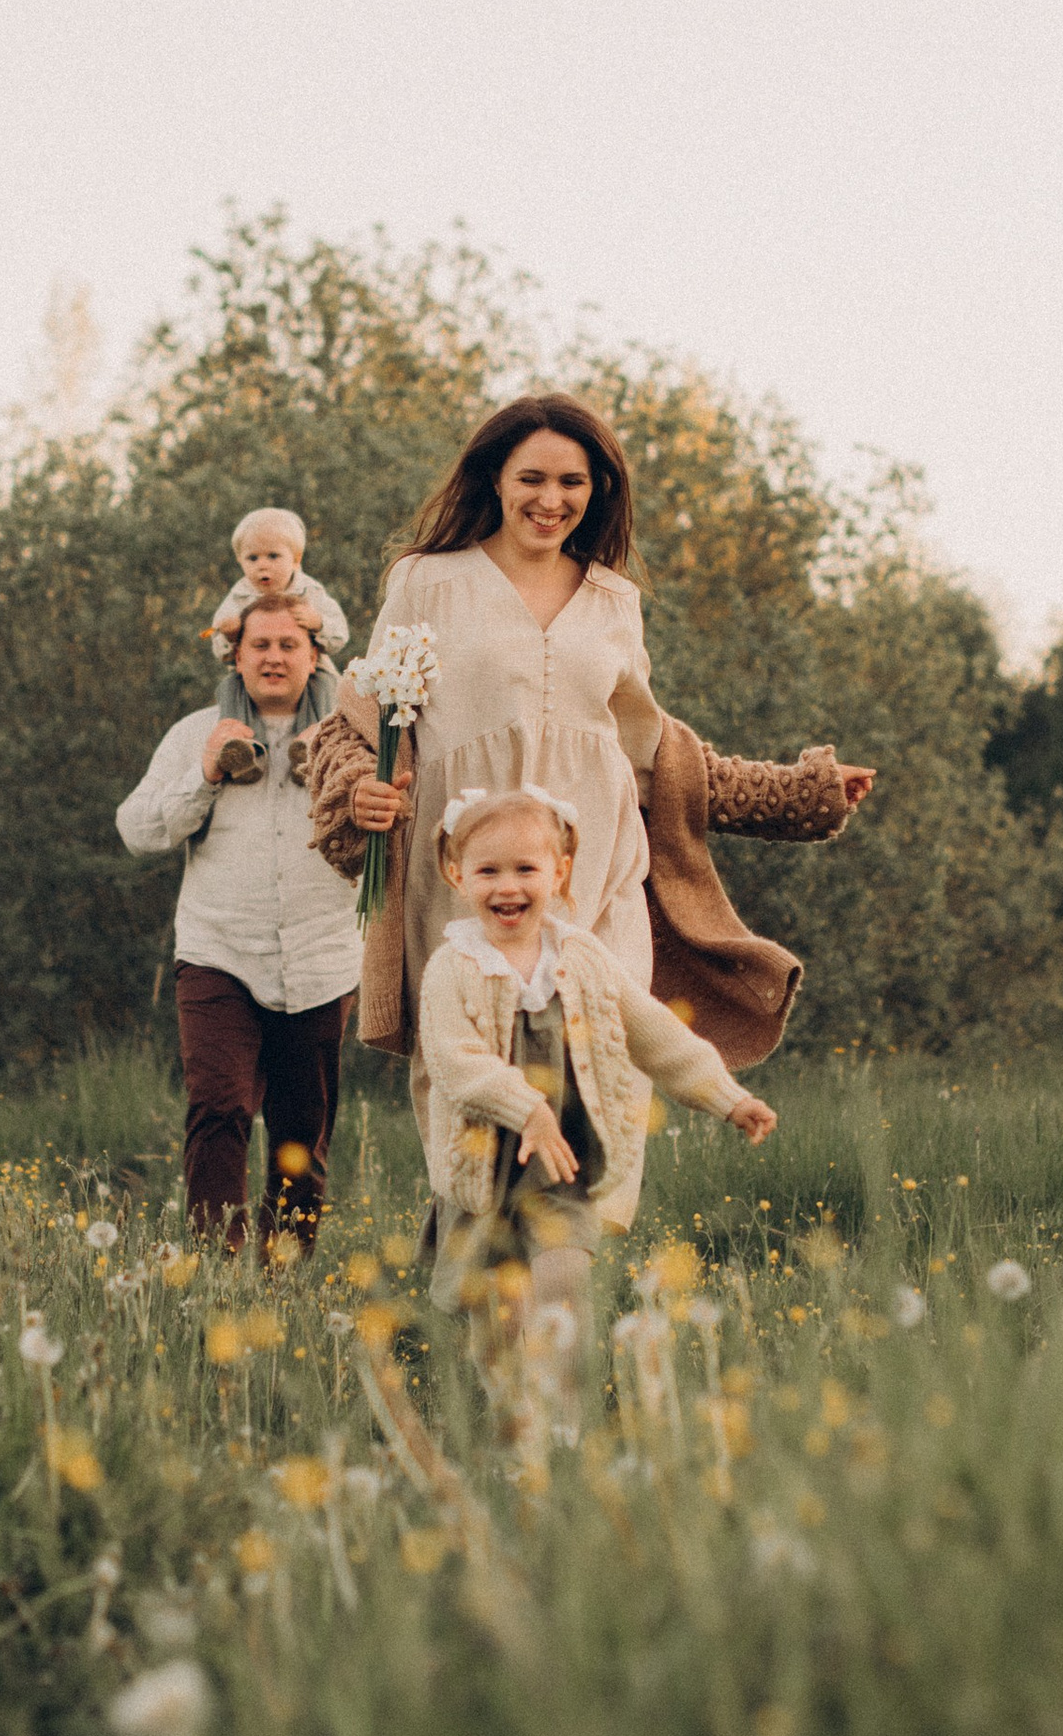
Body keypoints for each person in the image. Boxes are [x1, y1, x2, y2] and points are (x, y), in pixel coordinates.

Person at [303, 391, 876, 1091]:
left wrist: (799, 791)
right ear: (496, 480)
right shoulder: (428, 581)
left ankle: (587, 1203)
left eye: (571, 481)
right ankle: (466, 1205)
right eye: (532, 479)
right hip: (465, 871)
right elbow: (362, 719)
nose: (552, 499)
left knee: (599, 1080)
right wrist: (357, 787)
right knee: (472, 1084)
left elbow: (652, 757)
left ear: (596, 489)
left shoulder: (613, 601)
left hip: (592, 875)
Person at [419, 782, 774, 1468]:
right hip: (484, 1175)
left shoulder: (579, 960)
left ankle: (561, 1429)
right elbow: (454, 1059)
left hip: (564, 1173)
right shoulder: (453, 969)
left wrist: (724, 1095)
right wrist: (526, 1108)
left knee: (561, 1288)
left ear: (559, 873)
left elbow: (653, 1032)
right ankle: (508, 1420)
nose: (508, 887)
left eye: (526, 869)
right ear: (458, 877)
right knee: (501, 1317)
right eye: (489, 871)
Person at [116, 593, 357, 1250]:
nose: (274, 657)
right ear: (236, 655)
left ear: (315, 656)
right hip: (217, 952)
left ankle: (286, 1279)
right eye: (261, 645)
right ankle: (215, 1272)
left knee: (302, 1131)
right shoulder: (196, 731)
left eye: (289, 645)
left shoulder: (351, 734)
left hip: (322, 957)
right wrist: (205, 773)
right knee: (217, 1109)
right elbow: (136, 830)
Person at [204, 506, 351, 662]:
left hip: (307, 670)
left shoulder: (309, 591)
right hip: (254, 671)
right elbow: (220, 651)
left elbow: (340, 636)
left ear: (296, 559)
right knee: (228, 686)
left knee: (329, 684)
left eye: (273, 556)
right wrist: (230, 635)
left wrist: (318, 624)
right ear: (240, 560)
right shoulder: (239, 598)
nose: (262, 565)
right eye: (252, 558)